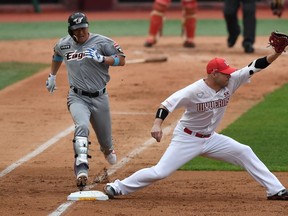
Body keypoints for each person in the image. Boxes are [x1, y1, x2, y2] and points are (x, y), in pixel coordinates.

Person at [103, 34, 288, 200]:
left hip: (211, 139)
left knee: (244, 151)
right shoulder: (193, 91)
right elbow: (166, 105)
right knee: (160, 172)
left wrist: (277, 53)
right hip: (187, 138)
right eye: (225, 73)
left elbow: (255, 66)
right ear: (214, 74)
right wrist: (157, 125)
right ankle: (118, 187)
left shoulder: (230, 82)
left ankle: (275, 190)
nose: (230, 76)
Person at [45, 12, 126, 190]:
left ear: (88, 27)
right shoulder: (64, 44)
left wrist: (103, 59)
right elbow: (57, 55)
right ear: (70, 30)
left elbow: (122, 59)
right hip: (77, 96)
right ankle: (81, 167)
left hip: (100, 98)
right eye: (77, 30)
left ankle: (107, 149)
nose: (81, 32)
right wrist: (52, 75)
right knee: (81, 126)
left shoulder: (102, 42)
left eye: (83, 28)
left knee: (106, 144)